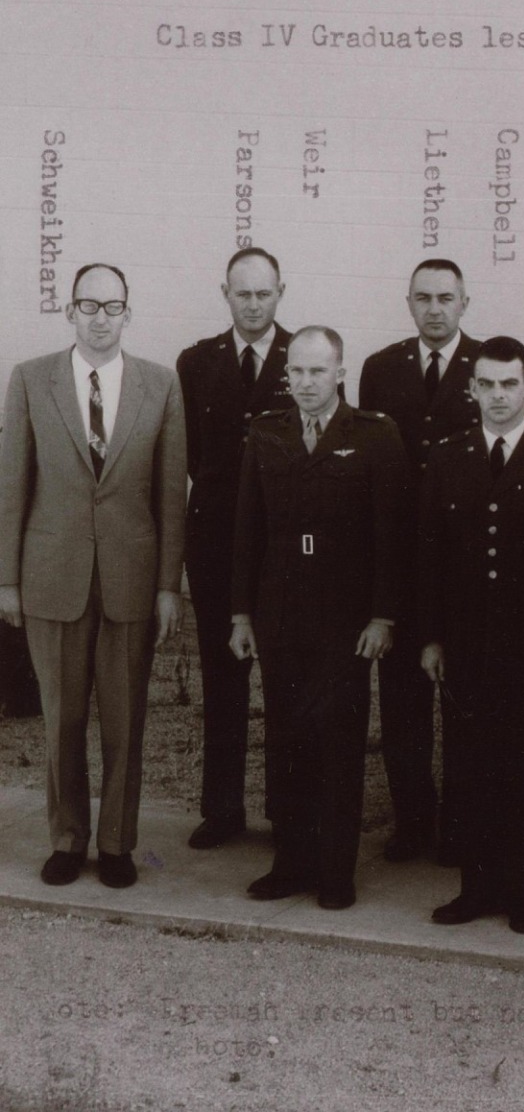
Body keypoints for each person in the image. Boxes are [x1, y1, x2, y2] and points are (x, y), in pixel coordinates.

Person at [0, 263, 187, 888]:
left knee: (126, 718)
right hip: (52, 575)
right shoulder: (30, 380)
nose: (100, 318)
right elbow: (11, 486)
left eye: (112, 307)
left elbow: (169, 494)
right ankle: (66, 837)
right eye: (89, 305)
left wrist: (168, 585)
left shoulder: (160, 386)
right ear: (70, 312)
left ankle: (116, 845)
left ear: (128, 313)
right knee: (63, 719)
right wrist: (7, 581)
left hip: (131, 578)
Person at [418, 337, 524, 937]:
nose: (498, 396)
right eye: (487, 385)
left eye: (509, 384)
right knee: (466, 768)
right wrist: (433, 637)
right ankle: (473, 887)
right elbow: (432, 556)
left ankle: (521, 892)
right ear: (472, 390)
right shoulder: (447, 457)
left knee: (522, 770)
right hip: (465, 644)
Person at [229, 326, 407, 910]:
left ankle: (335, 872)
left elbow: (391, 534)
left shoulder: (375, 436)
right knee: (285, 744)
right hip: (281, 620)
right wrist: (241, 616)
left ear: (340, 372)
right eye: (297, 372)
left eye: (317, 371)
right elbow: (247, 532)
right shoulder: (266, 433)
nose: (306, 383)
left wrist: (383, 617)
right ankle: (290, 863)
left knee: (338, 744)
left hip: (345, 624)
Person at [356, 259, 481, 862]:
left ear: (465, 302)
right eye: (424, 298)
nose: (435, 308)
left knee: (461, 702)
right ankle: (412, 821)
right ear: (408, 302)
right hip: (401, 560)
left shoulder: (490, 367)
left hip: (463, 563)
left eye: (446, 298)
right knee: (403, 703)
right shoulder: (380, 369)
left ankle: (461, 826)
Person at [174, 247, 294, 849]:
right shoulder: (196, 362)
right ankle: (221, 809)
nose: (253, 304)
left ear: (281, 292)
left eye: (264, 293)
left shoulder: (304, 357)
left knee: (283, 679)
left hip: (282, 549)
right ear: (225, 293)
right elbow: (190, 455)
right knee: (224, 679)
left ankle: (284, 809)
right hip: (217, 542)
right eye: (242, 293)